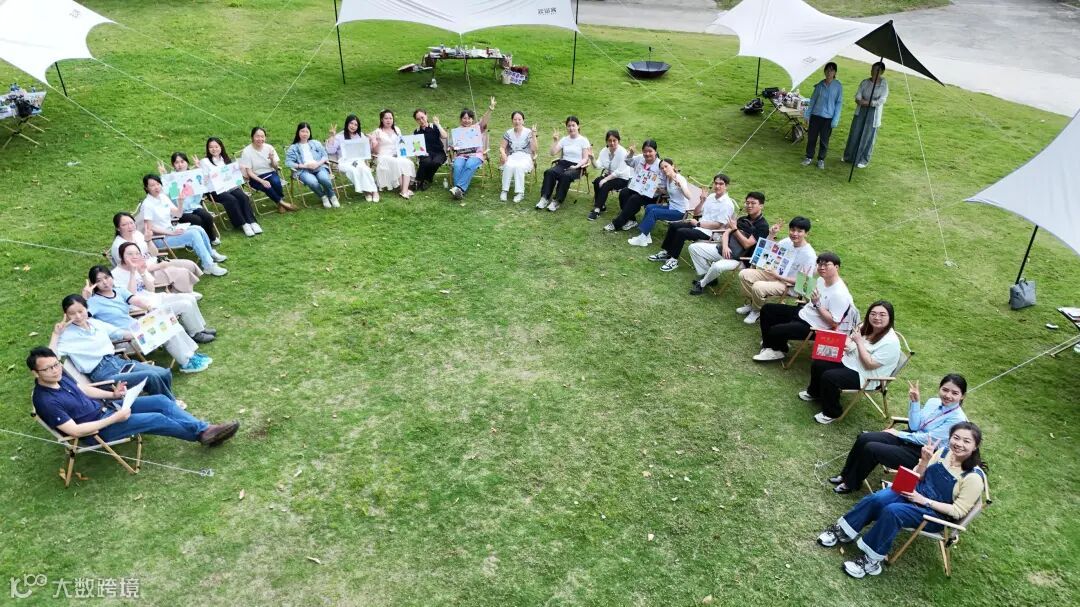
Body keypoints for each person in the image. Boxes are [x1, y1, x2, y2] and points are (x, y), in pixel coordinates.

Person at [817, 421, 986, 579]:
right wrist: (925, 461)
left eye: (966, 441)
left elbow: (958, 511)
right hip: (915, 492)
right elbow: (918, 476)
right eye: (956, 438)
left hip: (933, 514)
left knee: (893, 511)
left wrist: (924, 501)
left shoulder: (974, 477)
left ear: (975, 446)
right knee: (878, 498)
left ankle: (871, 561)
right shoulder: (943, 452)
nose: (959, 444)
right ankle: (844, 531)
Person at [28, 347, 238, 447]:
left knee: (161, 401)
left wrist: (113, 394)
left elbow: (85, 389)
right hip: (99, 429)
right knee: (157, 418)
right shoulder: (45, 401)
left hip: (109, 408)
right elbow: (74, 431)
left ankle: (204, 430)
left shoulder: (60, 376)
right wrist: (115, 418)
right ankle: (202, 434)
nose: (55, 370)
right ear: (35, 373)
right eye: (48, 369)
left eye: (56, 364)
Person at [828, 374, 969, 494]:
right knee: (865, 438)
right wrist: (915, 402)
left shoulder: (957, 419)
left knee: (872, 448)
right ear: (940, 388)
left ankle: (852, 483)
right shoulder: (933, 402)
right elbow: (914, 426)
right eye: (945, 390)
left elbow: (927, 439)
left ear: (962, 396)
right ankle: (845, 475)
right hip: (911, 436)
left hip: (922, 453)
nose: (948, 395)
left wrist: (898, 434)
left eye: (955, 393)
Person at [84, 265, 210, 373]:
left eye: (106, 277)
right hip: (126, 338)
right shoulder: (93, 302)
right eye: (99, 280)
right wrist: (85, 298)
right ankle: (186, 363)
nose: (105, 282)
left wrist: (150, 307)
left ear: (111, 277)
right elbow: (83, 320)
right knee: (165, 331)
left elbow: (136, 300)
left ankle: (191, 355)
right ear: (94, 284)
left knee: (168, 320)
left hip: (137, 327)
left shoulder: (119, 291)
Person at [49, 295, 177, 397]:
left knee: (164, 373)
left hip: (118, 362)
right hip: (102, 374)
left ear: (86, 309)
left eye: (80, 311)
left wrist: (154, 328)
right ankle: (170, 405)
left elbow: (121, 334)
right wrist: (56, 335)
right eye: (72, 313)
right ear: (66, 315)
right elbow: (51, 359)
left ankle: (167, 399)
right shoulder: (67, 335)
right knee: (151, 376)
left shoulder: (95, 323)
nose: (78, 316)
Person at [799, 300, 901, 424]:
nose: (876, 317)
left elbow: (870, 364)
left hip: (866, 376)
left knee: (830, 377)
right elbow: (853, 342)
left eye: (882, 314)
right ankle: (815, 393)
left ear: (890, 317)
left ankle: (832, 412)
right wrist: (850, 343)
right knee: (819, 363)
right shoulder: (868, 327)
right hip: (850, 361)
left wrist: (858, 342)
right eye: (873, 313)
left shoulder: (890, 342)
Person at [753, 251, 855, 362]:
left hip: (814, 326)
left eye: (826, 265)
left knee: (774, 330)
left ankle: (776, 350)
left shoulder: (839, 294)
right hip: (804, 313)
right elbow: (811, 298)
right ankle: (773, 344)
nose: (822, 267)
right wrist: (804, 281)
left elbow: (834, 323)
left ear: (836, 267)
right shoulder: (821, 280)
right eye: (820, 264)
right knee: (768, 309)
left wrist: (817, 304)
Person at [114, 242, 217, 346]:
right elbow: (129, 297)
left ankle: (200, 328)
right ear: (121, 256)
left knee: (190, 298)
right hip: (145, 308)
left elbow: (151, 290)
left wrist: (143, 273)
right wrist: (132, 273)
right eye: (130, 254)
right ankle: (195, 333)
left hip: (155, 298)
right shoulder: (116, 275)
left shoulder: (138, 267)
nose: (134, 256)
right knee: (185, 305)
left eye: (137, 253)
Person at [139, 174, 229, 276]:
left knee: (198, 228)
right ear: (146, 188)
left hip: (171, 230)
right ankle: (208, 266)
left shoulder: (162, 197)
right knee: (193, 235)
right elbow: (150, 228)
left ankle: (210, 254)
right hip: (160, 238)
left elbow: (178, 214)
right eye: (152, 185)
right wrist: (171, 232)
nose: (156, 187)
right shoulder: (147, 204)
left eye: (158, 184)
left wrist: (180, 202)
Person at [736, 216, 817, 324]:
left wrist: (779, 276)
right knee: (744, 274)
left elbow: (804, 283)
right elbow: (767, 251)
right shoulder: (787, 241)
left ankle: (757, 311)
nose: (795, 234)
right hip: (774, 274)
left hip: (789, 285)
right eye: (792, 230)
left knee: (758, 286)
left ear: (806, 233)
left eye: (799, 231)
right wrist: (771, 234)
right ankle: (753, 304)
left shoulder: (809, 255)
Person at [648, 173, 734, 272]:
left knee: (682, 232)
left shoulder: (727, 204)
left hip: (711, 233)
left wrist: (698, 224)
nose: (717, 186)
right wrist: (702, 201)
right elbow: (696, 213)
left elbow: (718, 225)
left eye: (721, 184)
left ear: (726, 186)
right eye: (716, 183)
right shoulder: (711, 197)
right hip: (699, 226)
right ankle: (667, 252)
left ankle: (673, 260)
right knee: (674, 225)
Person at [688, 191, 769, 295]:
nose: (749, 206)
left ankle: (702, 284)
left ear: (761, 206)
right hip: (725, 250)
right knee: (693, 248)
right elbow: (726, 233)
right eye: (747, 203)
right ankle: (709, 278)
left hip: (740, 259)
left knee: (717, 266)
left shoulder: (762, 226)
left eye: (753, 203)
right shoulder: (743, 219)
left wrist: (735, 229)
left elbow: (747, 244)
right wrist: (725, 246)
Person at [109, 211, 202, 293]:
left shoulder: (137, 234)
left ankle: (180, 288)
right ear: (118, 228)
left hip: (156, 262)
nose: (130, 227)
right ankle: (185, 293)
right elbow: (132, 270)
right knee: (182, 272)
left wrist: (148, 241)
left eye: (131, 223)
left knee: (190, 265)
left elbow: (155, 254)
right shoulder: (119, 247)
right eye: (124, 225)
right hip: (145, 274)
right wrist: (158, 266)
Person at [200, 137, 262, 236]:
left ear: (221, 147)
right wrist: (199, 169)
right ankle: (243, 224)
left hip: (229, 186)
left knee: (243, 197)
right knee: (231, 200)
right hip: (215, 190)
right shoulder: (204, 161)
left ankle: (252, 222)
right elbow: (204, 181)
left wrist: (239, 168)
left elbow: (233, 174)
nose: (214, 149)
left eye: (216, 146)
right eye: (211, 147)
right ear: (208, 149)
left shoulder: (225, 159)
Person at [627, 158, 695, 247]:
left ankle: (642, 238)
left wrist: (681, 186)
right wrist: (660, 190)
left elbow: (689, 196)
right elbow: (670, 193)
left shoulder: (679, 179)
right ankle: (646, 236)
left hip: (680, 212)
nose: (664, 169)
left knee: (654, 212)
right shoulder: (668, 178)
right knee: (649, 207)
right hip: (671, 207)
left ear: (673, 166)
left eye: (666, 166)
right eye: (662, 168)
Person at [157, 152, 220, 244]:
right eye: (177, 162)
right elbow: (169, 195)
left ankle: (212, 237)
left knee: (208, 217)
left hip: (194, 206)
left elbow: (203, 186)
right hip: (180, 210)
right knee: (197, 220)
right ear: (173, 165)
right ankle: (204, 240)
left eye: (182, 162)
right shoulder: (171, 178)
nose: (180, 165)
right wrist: (164, 176)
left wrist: (199, 169)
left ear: (187, 162)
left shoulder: (192, 175)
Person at [605, 139, 664, 232]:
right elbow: (628, 161)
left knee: (634, 199)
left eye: (650, 151)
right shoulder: (640, 158)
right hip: (637, 188)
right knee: (624, 193)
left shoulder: (660, 165)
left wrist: (657, 188)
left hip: (651, 194)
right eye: (645, 151)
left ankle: (616, 224)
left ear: (655, 151)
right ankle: (631, 220)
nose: (647, 154)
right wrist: (631, 153)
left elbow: (664, 183)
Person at [536, 115, 591, 212]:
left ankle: (557, 201)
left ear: (578, 126)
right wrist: (555, 141)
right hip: (563, 163)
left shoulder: (583, 140)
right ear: (566, 127)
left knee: (565, 175)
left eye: (573, 125)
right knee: (549, 172)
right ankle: (544, 198)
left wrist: (576, 166)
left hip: (578, 166)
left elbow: (585, 158)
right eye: (569, 126)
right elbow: (552, 153)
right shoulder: (564, 139)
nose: (571, 128)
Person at [239, 126, 296, 213]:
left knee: (276, 182)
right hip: (255, 177)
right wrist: (262, 181)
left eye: (262, 136)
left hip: (270, 173)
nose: (260, 139)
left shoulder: (269, 147)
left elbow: (276, 167)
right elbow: (249, 172)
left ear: (265, 137)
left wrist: (272, 159)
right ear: (252, 137)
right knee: (267, 186)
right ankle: (282, 203)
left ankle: (280, 204)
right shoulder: (247, 151)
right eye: (257, 136)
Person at [843, 62, 889, 169]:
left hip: (873, 113)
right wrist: (861, 101)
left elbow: (882, 99)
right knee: (855, 133)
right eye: (873, 69)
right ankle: (848, 156)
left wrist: (869, 103)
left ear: (882, 72)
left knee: (868, 136)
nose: (874, 72)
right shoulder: (865, 82)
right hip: (861, 110)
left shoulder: (884, 84)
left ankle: (863, 159)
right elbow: (858, 96)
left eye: (877, 70)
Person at [448, 96, 495, 200]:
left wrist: (490, 109)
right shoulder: (457, 131)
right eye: (464, 118)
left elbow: (484, 121)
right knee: (457, 166)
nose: (466, 120)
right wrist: (453, 146)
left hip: (475, 154)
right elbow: (451, 145)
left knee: (469, 164)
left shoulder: (476, 128)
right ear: (461, 119)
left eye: (469, 118)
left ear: (472, 119)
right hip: (461, 155)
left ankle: (458, 189)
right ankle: (459, 191)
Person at [326, 114, 378, 202]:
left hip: (357, 160)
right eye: (351, 123)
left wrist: (371, 141)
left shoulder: (360, 135)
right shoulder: (339, 136)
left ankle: (374, 191)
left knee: (364, 169)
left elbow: (366, 151)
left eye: (356, 125)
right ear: (347, 123)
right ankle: (366, 191)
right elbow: (330, 151)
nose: (353, 126)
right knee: (353, 170)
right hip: (344, 161)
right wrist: (332, 136)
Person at [285, 121, 338, 209]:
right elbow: (289, 162)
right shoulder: (293, 148)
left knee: (324, 179)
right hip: (303, 170)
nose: (304, 134)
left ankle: (332, 196)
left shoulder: (315, 143)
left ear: (309, 133)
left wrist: (318, 164)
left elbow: (325, 155)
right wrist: (305, 166)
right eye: (302, 131)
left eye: (307, 131)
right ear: (298, 132)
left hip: (319, 167)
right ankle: (323, 197)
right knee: (312, 182)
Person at [801, 62, 843, 170]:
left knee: (824, 140)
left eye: (832, 70)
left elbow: (838, 103)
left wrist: (835, 119)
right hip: (816, 116)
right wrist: (807, 114)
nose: (829, 72)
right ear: (824, 71)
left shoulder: (838, 86)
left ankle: (821, 159)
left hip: (828, 118)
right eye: (827, 70)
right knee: (812, 138)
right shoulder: (819, 85)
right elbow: (813, 100)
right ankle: (809, 157)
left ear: (835, 72)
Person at [587, 129, 634, 220]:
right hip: (609, 176)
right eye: (609, 140)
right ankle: (602, 205)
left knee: (605, 184)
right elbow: (598, 166)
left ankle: (597, 210)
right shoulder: (604, 151)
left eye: (614, 140)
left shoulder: (622, 152)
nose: (612, 143)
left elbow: (619, 172)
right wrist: (592, 159)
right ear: (606, 141)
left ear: (618, 141)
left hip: (622, 178)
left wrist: (605, 179)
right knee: (597, 181)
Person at [370, 109, 416, 199]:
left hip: (396, 154)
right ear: (382, 119)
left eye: (390, 118)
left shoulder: (397, 129)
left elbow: (401, 144)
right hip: (383, 156)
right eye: (386, 118)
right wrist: (375, 141)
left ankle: (404, 190)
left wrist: (403, 153)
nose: (388, 120)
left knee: (407, 162)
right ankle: (404, 190)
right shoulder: (378, 131)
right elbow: (375, 151)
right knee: (397, 163)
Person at [499, 110, 538, 203]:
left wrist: (533, 135)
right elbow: (502, 147)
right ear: (512, 120)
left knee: (519, 167)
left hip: (526, 157)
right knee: (508, 166)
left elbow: (534, 149)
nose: (517, 121)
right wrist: (503, 153)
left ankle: (520, 193)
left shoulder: (529, 132)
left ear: (523, 121)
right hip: (512, 156)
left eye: (519, 119)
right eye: (515, 119)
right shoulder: (508, 133)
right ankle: (504, 191)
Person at [412, 108, 448, 192]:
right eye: (418, 119)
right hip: (425, 153)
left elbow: (445, 136)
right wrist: (420, 152)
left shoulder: (434, 127)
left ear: (426, 115)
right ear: (416, 120)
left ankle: (426, 179)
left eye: (422, 117)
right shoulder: (416, 131)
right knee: (426, 161)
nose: (421, 120)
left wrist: (438, 124)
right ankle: (419, 180)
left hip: (439, 153)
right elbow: (416, 147)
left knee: (435, 162)